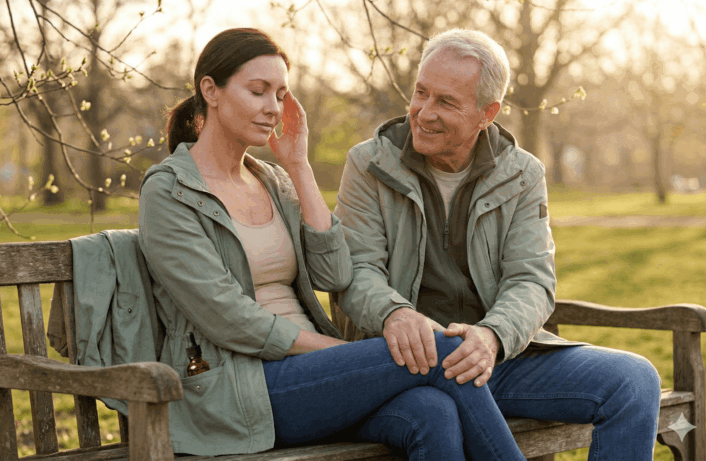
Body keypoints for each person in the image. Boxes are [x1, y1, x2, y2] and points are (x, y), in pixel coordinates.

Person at [138, 27, 528, 459]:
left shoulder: (273, 181)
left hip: (316, 377)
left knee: (433, 412)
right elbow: (226, 316)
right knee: (439, 350)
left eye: (282, 94)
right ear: (210, 90)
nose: (273, 108)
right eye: (258, 91)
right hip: (239, 388)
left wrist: (299, 166)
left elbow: (334, 274)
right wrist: (344, 352)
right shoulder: (170, 190)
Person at [332, 28, 662, 460]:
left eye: (446, 102)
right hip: (403, 361)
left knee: (634, 380)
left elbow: (532, 279)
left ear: (487, 113)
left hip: (494, 360)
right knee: (436, 409)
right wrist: (396, 315)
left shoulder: (522, 173)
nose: (423, 112)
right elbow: (355, 271)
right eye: (421, 93)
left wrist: (491, 337)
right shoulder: (368, 163)